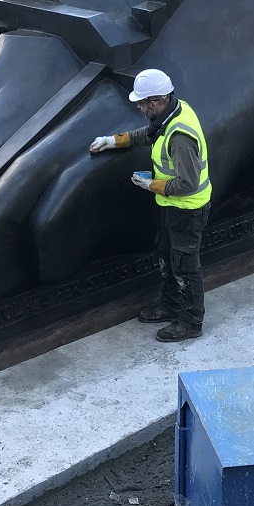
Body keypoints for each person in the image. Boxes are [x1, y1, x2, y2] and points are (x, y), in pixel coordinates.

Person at [88, 69, 212, 343]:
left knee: (185, 267)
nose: (139, 108)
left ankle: (191, 322)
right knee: (167, 257)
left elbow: (188, 184)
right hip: (173, 207)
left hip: (188, 209)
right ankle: (169, 306)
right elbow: (150, 134)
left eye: (142, 103)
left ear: (155, 102)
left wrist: (151, 184)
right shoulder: (172, 112)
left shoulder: (180, 138)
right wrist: (114, 141)